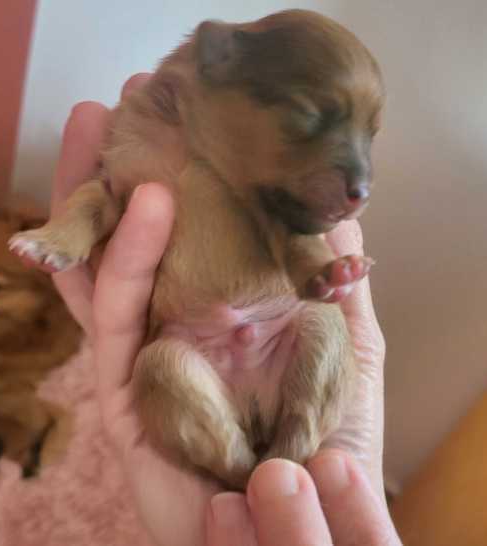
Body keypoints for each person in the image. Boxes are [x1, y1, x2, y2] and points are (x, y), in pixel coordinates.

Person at [50, 73, 402, 546]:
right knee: (159, 364)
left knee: (323, 322)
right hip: (193, 347)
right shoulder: (162, 157)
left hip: (281, 333)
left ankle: (289, 452)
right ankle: (238, 468)